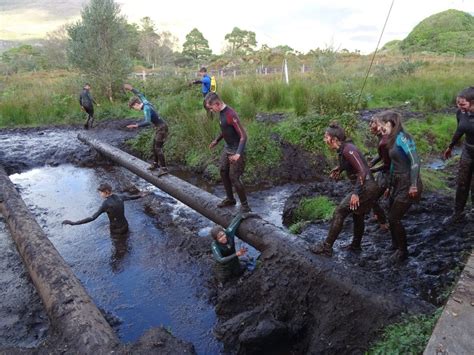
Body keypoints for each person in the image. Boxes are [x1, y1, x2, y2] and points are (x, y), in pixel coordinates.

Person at [310, 123, 379, 257]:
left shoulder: (348, 150)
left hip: (366, 188)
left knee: (339, 212)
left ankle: (327, 247)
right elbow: (351, 164)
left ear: (334, 139)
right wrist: (340, 169)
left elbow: (363, 171)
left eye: (326, 137)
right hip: (369, 187)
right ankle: (356, 245)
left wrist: (356, 193)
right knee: (357, 214)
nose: (325, 140)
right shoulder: (343, 150)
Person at [377, 111, 423, 261]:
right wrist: (390, 187)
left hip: (408, 181)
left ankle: (403, 251)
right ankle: (395, 244)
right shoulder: (391, 139)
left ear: (391, 123)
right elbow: (393, 165)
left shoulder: (404, 137)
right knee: (390, 211)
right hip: (396, 181)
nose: (380, 128)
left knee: (394, 217)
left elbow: (415, 162)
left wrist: (414, 184)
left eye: (383, 125)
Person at [206, 92, 251, 213]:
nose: (211, 110)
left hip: (236, 149)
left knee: (234, 177)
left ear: (217, 104)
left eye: (211, 108)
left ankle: (245, 207)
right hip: (227, 148)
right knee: (222, 170)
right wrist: (216, 140)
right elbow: (225, 129)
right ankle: (230, 199)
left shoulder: (231, 114)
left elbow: (243, 136)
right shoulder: (221, 113)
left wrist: (238, 154)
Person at [62, 183, 144, 234]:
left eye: (100, 192)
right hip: (125, 226)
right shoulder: (120, 196)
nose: (100, 194)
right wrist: (142, 195)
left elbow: (92, 218)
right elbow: (132, 197)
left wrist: (73, 223)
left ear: (106, 192)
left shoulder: (106, 204)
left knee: (117, 247)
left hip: (116, 230)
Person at [443, 87, 474, 223]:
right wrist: (450, 146)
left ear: (472, 102)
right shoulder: (460, 113)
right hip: (468, 150)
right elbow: (459, 130)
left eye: (463, 104)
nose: (459, 106)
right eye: (458, 103)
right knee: (462, 182)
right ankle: (458, 212)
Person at [124, 84, 169, 174]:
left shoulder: (146, 108)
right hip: (159, 127)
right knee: (154, 146)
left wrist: (136, 125)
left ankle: (164, 169)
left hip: (162, 128)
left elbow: (147, 122)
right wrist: (131, 89)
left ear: (136, 104)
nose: (134, 109)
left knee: (158, 148)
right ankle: (155, 164)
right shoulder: (145, 102)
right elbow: (140, 94)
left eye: (133, 107)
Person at [368, 116, 390, 230]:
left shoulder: (384, 140)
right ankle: (378, 215)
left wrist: (373, 169)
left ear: (381, 125)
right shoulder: (381, 137)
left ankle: (383, 222)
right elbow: (381, 155)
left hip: (391, 173)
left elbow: (388, 164)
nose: (370, 125)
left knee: (372, 197)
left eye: (373, 123)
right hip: (387, 171)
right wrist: (372, 162)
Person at [210, 213, 247, 283]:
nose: (223, 238)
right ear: (216, 239)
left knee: (240, 271)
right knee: (225, 281)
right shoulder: (214, 245)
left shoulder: (229, 233)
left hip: (234, 262)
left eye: (223, 234)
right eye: (220, 237)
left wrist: (246, 214)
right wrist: (236, 254)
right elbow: (221, 260)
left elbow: (238, 218)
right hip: (224, 267)